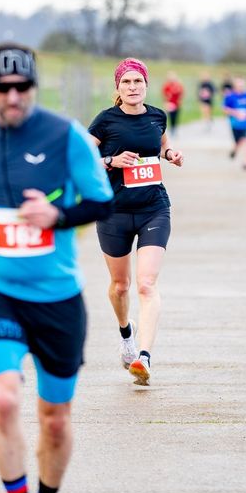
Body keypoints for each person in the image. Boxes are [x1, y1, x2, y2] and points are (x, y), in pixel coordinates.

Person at [0, 43, 113, 493]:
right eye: (3, 88)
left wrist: (56, 215)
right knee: (2, 399)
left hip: (57, 297)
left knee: (55, 416)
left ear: (34, 88)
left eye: (22, 88)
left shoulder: (66, 135)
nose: (13, 97)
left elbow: (103, 202)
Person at [88, 58, 184, 386]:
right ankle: (126, 333)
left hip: (153, 207)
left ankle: (144, 357)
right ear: (118, 87)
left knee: (146, 284)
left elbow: (162, 143)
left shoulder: (158, 115)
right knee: (121, 286)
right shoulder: (105, 121)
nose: (132, 87)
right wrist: (110, 160)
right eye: (126, 82)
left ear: (146, 85)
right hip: (114, 211)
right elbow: (82, 160)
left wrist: (170, 154)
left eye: (138, 82)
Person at [223, 77, 246, 171]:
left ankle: (245, 163)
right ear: (235, 86)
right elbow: (225, 109)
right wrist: (236, 113)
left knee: (244, 141)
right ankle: (234, 151)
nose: (241, 87)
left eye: (242, 85)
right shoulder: (230, 97)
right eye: (239, 85)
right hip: (235, 123)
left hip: (245, 123)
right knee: (237, 142)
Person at [161, 70, 185, 136]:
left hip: (177, 104)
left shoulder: (178, 85)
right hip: (170, 104)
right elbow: (164, 94)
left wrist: (180, 100)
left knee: (176, 116)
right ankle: (172, 129)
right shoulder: (167, 86)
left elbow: (181, 93)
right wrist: (165, 102)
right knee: (171, 116)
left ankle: (175, 129)